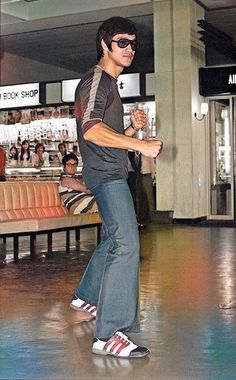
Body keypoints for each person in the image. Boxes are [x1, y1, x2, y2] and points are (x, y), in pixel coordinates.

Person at [72, 16, 163, 359]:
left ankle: (86, 295)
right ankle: (108, 335)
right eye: (122, 42)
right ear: (104, 45)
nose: (129, 49)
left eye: (133, 44)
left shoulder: (108, 85)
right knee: (127, 243)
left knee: (114, 238)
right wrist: (141, 146)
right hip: (107, 176)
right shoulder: (97, 80)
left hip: (109, 169)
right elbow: (91, 130)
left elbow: (107, 139)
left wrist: (130, 131)